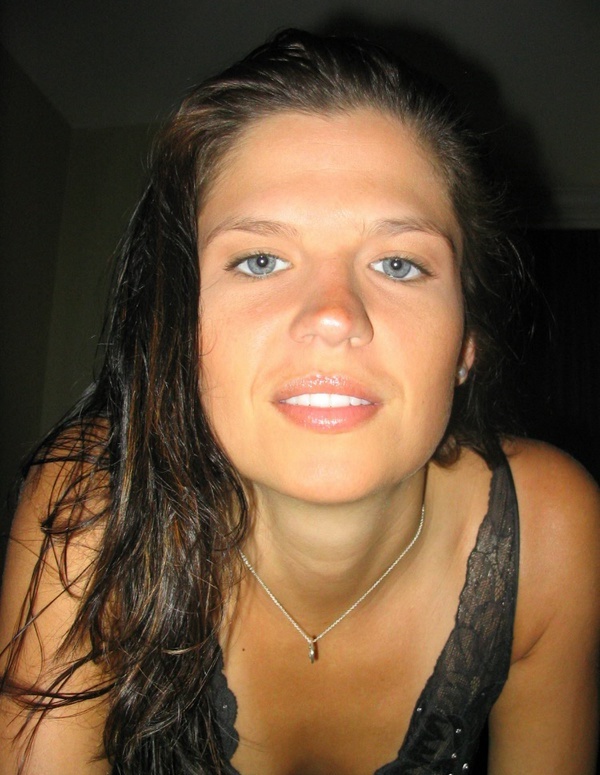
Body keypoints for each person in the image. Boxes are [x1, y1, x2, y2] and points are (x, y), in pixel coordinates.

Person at [1, 28, 598, 775]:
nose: (333, 316)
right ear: (178, 326)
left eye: (398, 263)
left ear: (466, 342)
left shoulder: (549, 534)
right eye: (260, 259)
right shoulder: (92, 506)